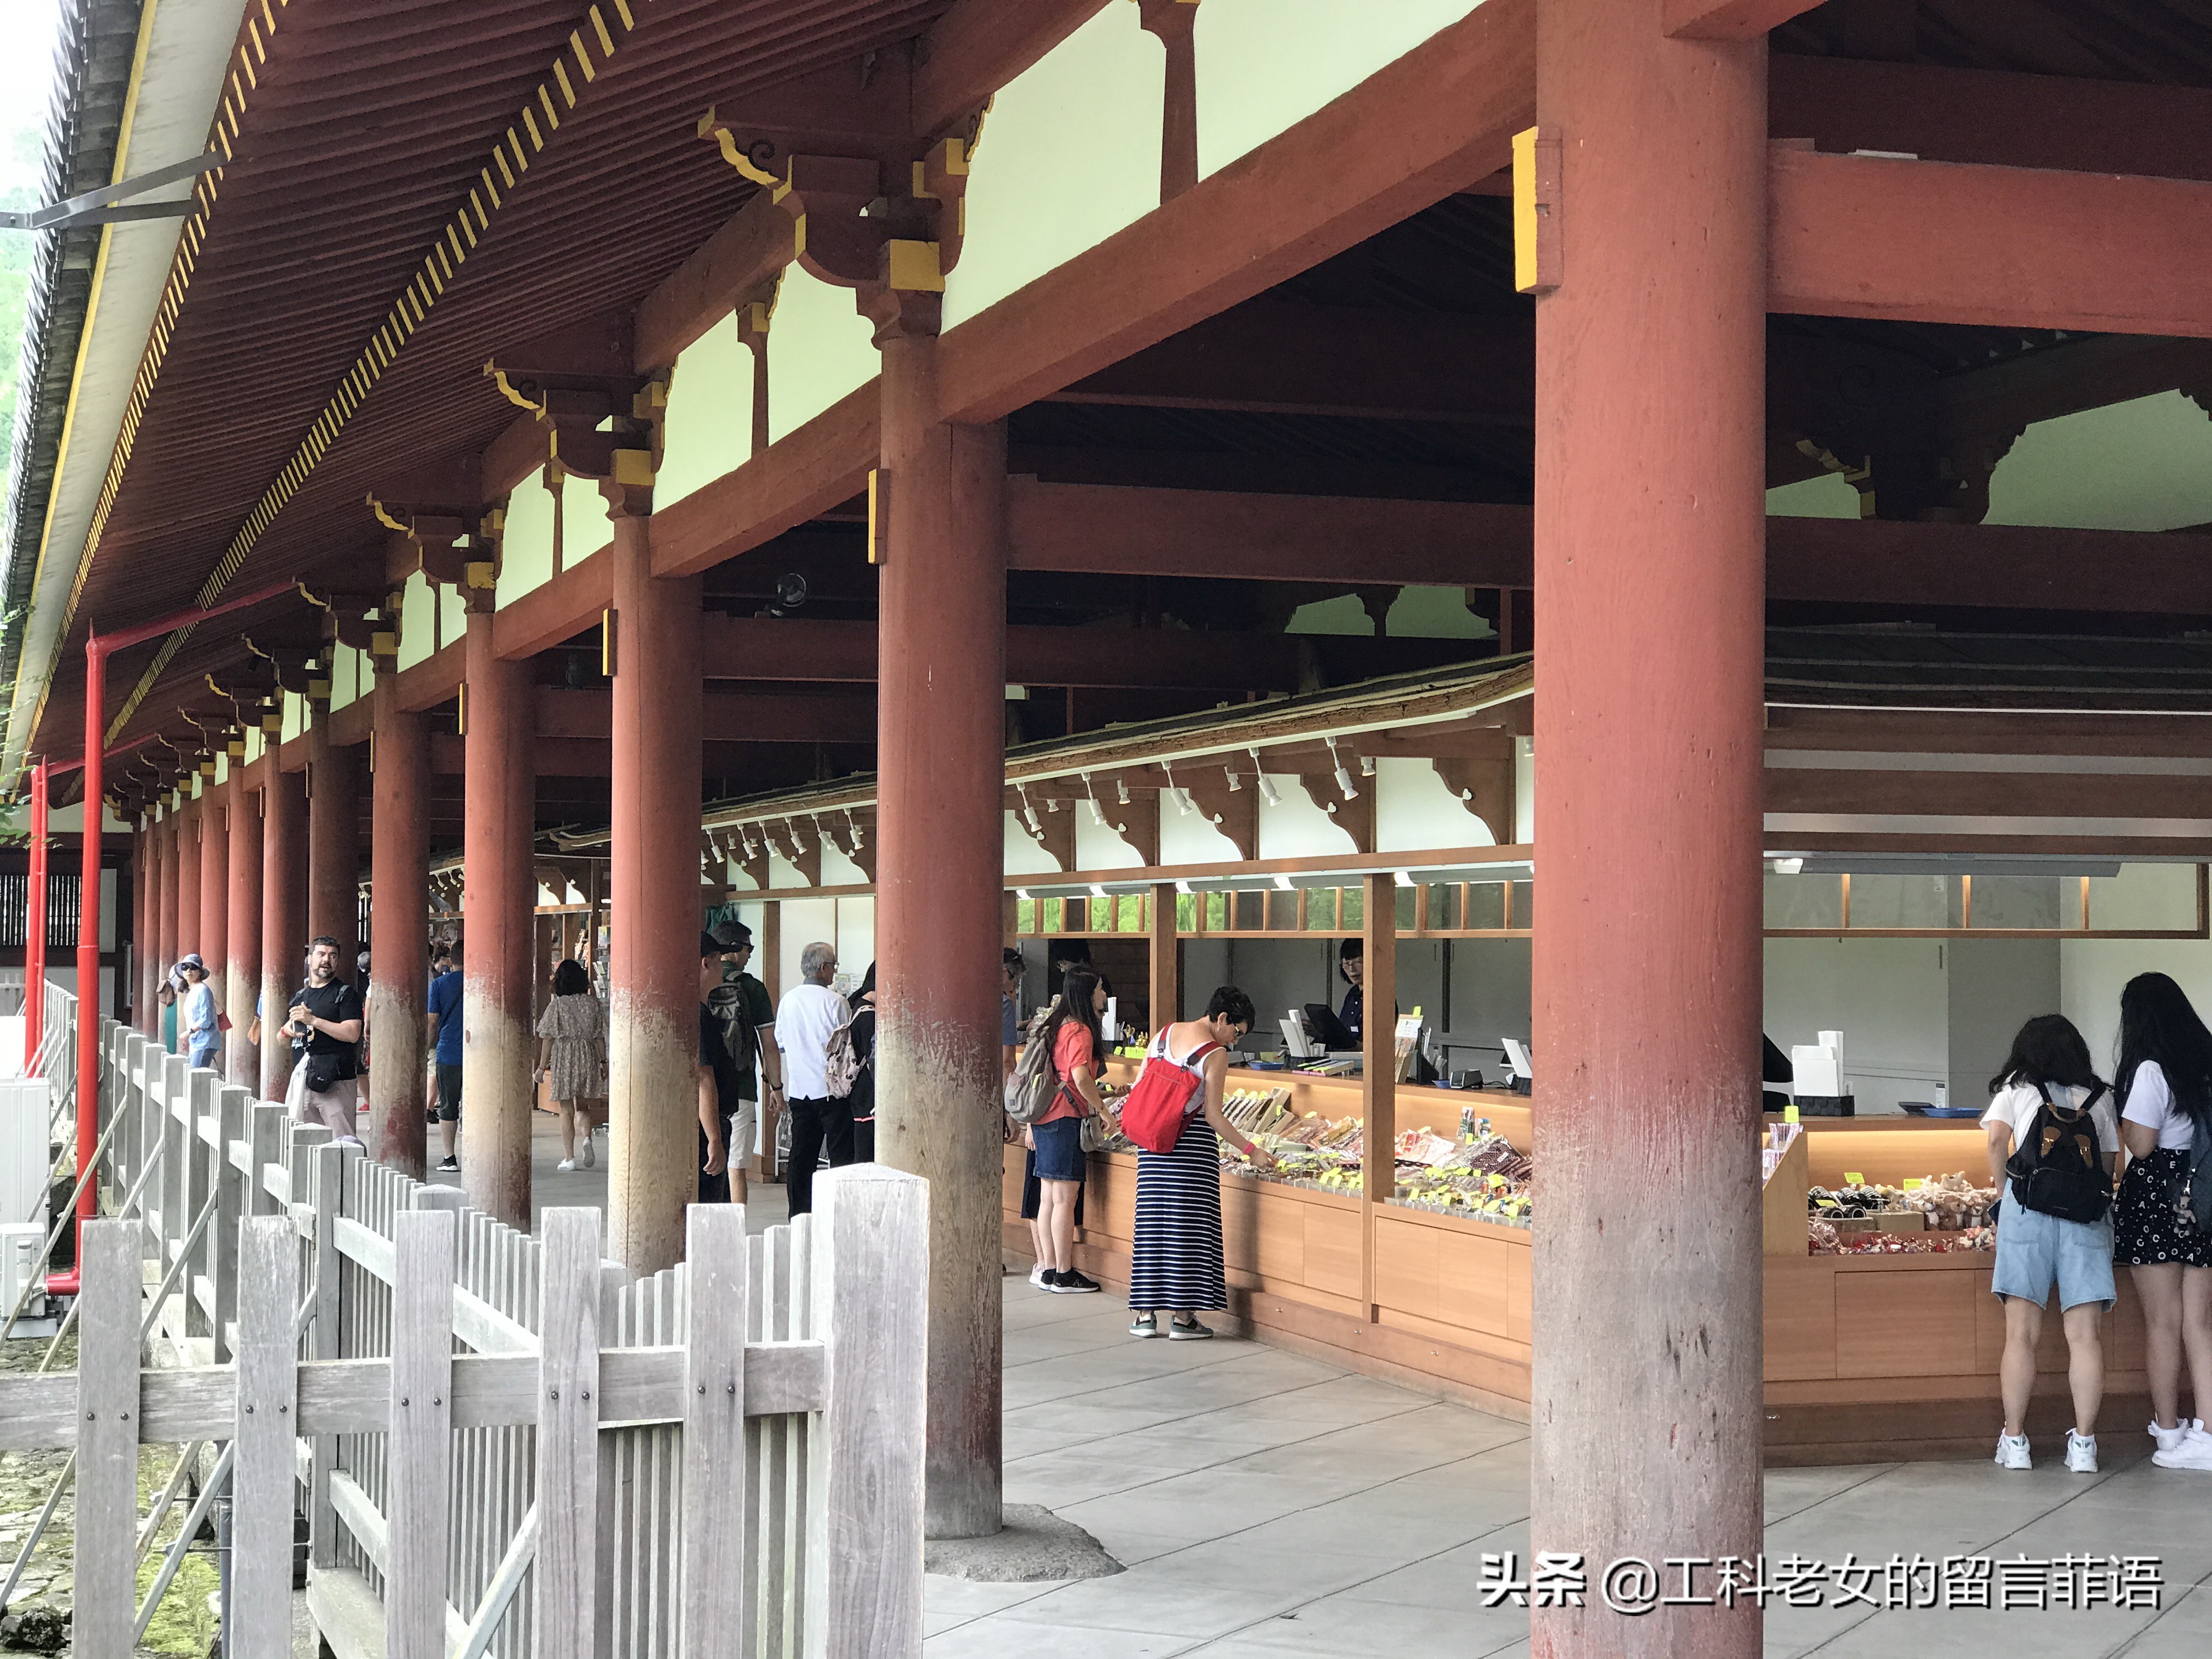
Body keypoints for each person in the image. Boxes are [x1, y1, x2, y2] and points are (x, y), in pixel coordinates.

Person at [1982, 1014, 2119, 1472]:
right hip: (2086, 1220)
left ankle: (2016, 1441)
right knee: (2085, 1337)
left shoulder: (2018, 1087)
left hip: (2027, 1214)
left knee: (2021, 1335)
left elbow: (1996, 1143)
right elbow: (2109, 1167)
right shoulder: (2100, 1096)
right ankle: (2084, 1447)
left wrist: (2004, 1194)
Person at [1128, 986, 1276, 1339]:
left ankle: (1145, 1316)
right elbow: (1214, 1116)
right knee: (1188, 1228)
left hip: (1153, 1144)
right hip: (1191, 1145)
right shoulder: (1214, 1053)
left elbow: (1139, 1085)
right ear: (1222, 1019)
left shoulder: (1163, 1035)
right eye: (1236, 1033)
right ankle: (1183, 1318)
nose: (1234, 1042)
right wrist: (1251, 1149)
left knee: (1152, 1225)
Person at [2111, 972, 2212, 1470]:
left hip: (2159, 1197)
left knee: (2162, 1322)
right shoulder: (2206, 1062)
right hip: (2206, 1194)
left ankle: (2169, 1434)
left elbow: (2142, 1144)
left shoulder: (2152, 1069)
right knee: (2200, 1323)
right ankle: (2208, 1435)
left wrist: (2123, 1117)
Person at [1031, 967, 1110, 1294]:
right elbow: (1080, 1076)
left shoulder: (1056, 1025)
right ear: (1087, 994)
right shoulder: (1080, 1030)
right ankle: (1064, 1273)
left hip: (1045, 1116)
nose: (1104, 995)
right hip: (1066, 1117)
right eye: (1100, 989)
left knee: (1049, 1197)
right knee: (1065, 1199)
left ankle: (1050, 1269)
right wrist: (1103, 1109)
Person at [774, 941, 851, 1216]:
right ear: (823, 968)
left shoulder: (788, 999)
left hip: (799, 1090)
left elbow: (780, 1042)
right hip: (832, 1091)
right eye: (833, 966)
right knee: (840, 1156)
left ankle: (798, 1214)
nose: (834, 971)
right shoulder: (836, 1002)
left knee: (801, 1156)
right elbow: (847, 1046)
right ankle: (839, 1213)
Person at [710, 923, 783, 1184]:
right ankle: (737, 1213)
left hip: (701, 1085)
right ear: (734, 948)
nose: (750, 955)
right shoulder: (752, 987)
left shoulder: (701, 979)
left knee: (701, 1160)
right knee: (736, 1166)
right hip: (741, 1087)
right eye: (748, 949)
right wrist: (776, 1088)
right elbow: (769, 1044)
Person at [286, 935, 365, 1144]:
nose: (326, 960)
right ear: (310, 959)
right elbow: (281, 1039)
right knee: (306, 1146)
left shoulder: (345, 995)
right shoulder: (299, 997)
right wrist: (286, 1031)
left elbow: (352, 1033)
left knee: (343, 1145)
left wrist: (313, 1021)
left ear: (338, 961)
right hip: (304, 1082)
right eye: (321, 954)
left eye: (333, 956)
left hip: (336, 1082)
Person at [535, 959, 607, 1172]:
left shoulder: (557, 1005)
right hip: (588, 1056)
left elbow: (548, 1037)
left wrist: (541, 1067)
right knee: (583, 1107)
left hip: (564, 1057)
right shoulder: (593, 1004)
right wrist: (603, 1062)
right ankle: (587, 1138)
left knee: (566, 1110)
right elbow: (599, 1037)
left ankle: (569, 1158)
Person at [696, 934, 739, 1204]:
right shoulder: (699, 1015)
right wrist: (714, 1138)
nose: (722, 969)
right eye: (719, 961)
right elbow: (704, 1078)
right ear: (706, 963)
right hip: (705, 1126)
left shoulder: (700, 1010)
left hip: (704, 1122)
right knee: (710, 1207)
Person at [426, 943, 465, 1173]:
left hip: (449, 1050)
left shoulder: (439, 985)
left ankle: (449, 1157)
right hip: (481, 1053)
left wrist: (427, 1048)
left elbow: (432, 1022)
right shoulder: (482, 982)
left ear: (451, 959)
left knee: (449, 1105)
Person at [839, 963, 879, 1163]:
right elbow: (875, 1061)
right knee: (866, 1160)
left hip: (860, 1097)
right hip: (868, 1099)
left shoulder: (857, 1005)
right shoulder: (869, 1016)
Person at [178, 955, 221, 1070]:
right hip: (196, 1041)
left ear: (200, 972)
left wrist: (188, 1033)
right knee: (193, 1075)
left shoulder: (203, 990)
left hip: (205, 1041)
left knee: (197, 1076)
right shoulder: (193, 990)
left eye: (193, 967)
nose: (189, 970)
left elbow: (206, 1020)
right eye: (185, 967)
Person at [1002, 947, 1026, 1079]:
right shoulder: (1005, 1005)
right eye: (1016, 980)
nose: (1016, 986)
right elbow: (1007, 1060)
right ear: (1004, 973)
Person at [1338, 939, 1365, 1041]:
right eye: (1346, 964)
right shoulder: (1353, 993)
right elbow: (1343, 1032)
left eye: (1358, 962)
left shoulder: (1380, 996)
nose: (1352, 969)